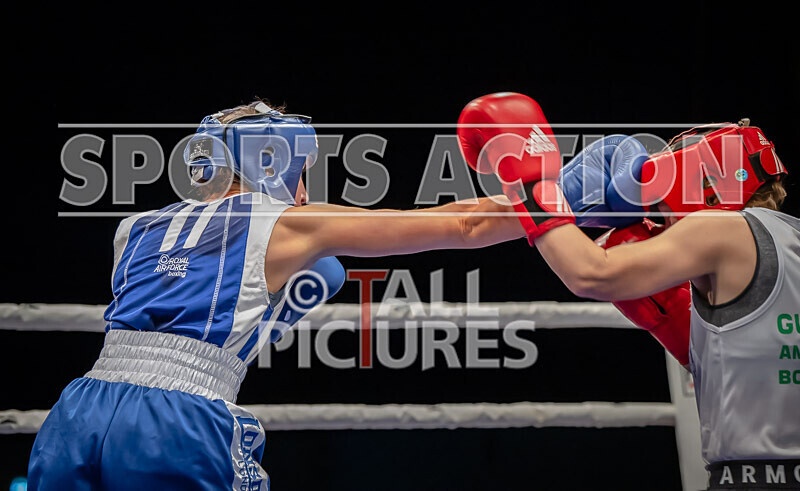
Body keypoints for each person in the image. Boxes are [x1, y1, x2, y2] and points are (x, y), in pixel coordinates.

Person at [29, 101, 524, 489]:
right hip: (178, 424)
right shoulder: (284, 224)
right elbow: (464, 222)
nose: (304, 190)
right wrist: (557, 193)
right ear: (271, 162)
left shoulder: (133, 228)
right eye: (301, 171)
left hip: (77, 412)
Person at [458, 92, 799, 490]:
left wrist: (532, 183)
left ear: (709, 186)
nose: (659, 210)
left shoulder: (721, 230)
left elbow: (590, 273)